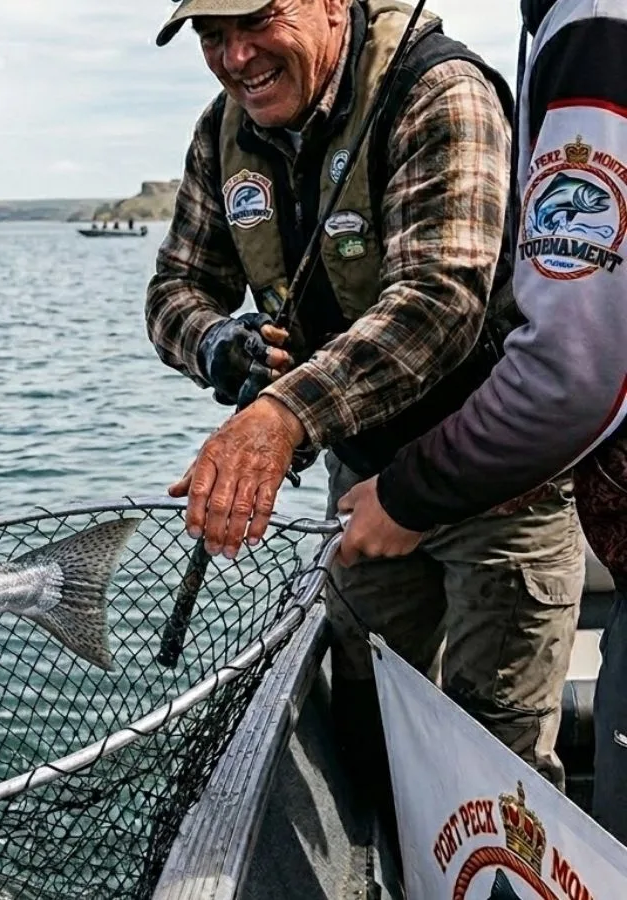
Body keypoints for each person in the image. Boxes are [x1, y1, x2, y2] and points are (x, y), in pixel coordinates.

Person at [145, 0, 585, 813]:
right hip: (360, 481)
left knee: (501, 760)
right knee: (365, 712)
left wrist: (280, 416)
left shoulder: (440, 90)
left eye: (257, 22)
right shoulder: (223, 132)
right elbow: (174, 290)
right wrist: (218, 344)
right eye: (212, 36)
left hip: (494, 480)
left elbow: (439, 301)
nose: (237, 57)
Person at [338, 0, 627, 842]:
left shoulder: (594, 26)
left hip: (487, 491)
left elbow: (572, 373)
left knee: (515, 796)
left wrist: (408, 493)